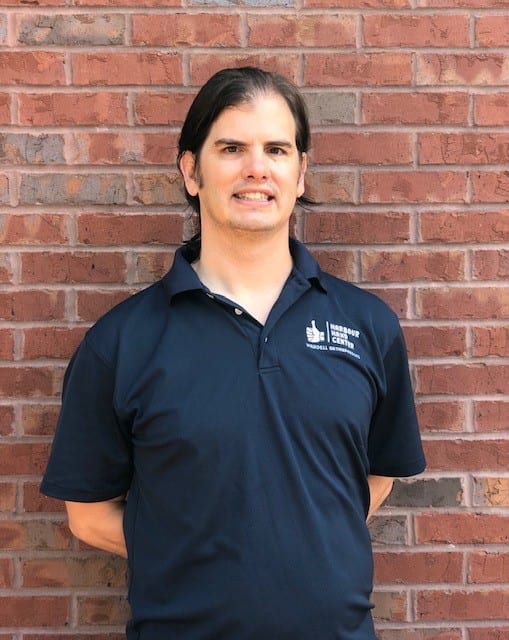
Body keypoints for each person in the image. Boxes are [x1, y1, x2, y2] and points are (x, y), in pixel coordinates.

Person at [41, 67, 426, 640]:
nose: (257, 168)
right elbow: (89, 516)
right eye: (231, 148)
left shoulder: (367, 326)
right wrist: (204, 552)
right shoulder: (122, 343)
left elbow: (375, 477)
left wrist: (298, 537)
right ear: (191, 171)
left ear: (300, 173)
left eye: (276, 149)